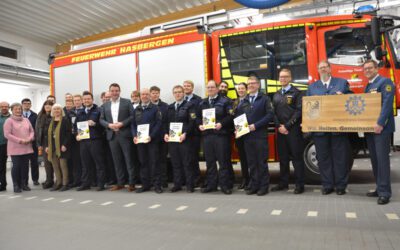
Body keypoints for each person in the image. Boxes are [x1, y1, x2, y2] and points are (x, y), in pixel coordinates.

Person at [307, 61, 351, 195]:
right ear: (318, 70)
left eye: (325, 67)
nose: (323, 69)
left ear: (330, 69)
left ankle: (341, 186)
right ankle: (327, 185)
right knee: (323, 159)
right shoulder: (312, 87)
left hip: (338, 129)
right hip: (320, 130)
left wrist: (343, 97)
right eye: (320, 68)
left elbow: (351, 99)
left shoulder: (342, 83)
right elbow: (308, 109)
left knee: (340, 158)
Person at [363, 60, 395, 205]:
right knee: (375, 161)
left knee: (382, 161)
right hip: (370, 129)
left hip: (381, 129)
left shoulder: (385, 82)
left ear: (376, 69)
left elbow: (387, 104)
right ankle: (379, 188)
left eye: (370, 68)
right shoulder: (368, 86)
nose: (367, 70)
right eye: (365, 69)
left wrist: (380, 123)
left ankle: (385, 193)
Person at [236, 76, 274, 196]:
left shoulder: (265, 99)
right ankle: (254, 185)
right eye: (249, 84)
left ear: (258, 85)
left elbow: (270, 115)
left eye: (253, 83)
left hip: (260, 135)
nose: (251, 85)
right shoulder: (244, 101)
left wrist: (256, 126)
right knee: (251, 162)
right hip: (247, 137)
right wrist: (238, 129)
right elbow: (239, 118)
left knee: (261, 162)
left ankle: (263, 186)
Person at [272, 69, 305, 194]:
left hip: (293, 131)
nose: (283, 79)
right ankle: (283, 183)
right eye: (281, 77)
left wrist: (287, 126)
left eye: (285, 77)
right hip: (280, 131)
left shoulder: (297, 93)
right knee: (283, 159)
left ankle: (299, 185)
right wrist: (278, 125)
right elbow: (273, 112)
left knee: (297, 158)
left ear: (290, 78)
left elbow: (299, 111)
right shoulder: (276, 94)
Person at [198, 80, 234, 195]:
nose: (210, 89)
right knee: (210, 162)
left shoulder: (226, 101)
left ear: (217, 89)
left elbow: (230, 116)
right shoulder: (202, 103)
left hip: (221, 136)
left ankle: (225, 185)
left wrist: (221, 124)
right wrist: (199, 125)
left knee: (223, 162)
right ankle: (211, 185)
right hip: (207, 136)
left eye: (212, 87)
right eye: (208, 87)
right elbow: (197, 118)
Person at [100, 83, 136, 191]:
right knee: (117, 161)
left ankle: (131, 183)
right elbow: (101, 120)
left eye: (116, 90)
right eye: (112, 91)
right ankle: (120, 183)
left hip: (125, 135)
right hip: (112, 136)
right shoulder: (105, 105)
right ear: (109, 92)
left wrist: (122, 124)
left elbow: (132, 116)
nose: (114, 93)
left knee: (129, 160)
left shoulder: (127, 102)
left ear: (119, 91)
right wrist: (109, 125)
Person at [164, 85, 197, 192]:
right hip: (173, 140)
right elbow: (165, 123)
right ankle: (177, 184)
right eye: (175, 92)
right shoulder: (169, 107)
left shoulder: (190, 105)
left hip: (185, 139)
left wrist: (185, 133)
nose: (177, 94)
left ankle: (189, 185)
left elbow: (192, 121)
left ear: (183, 93)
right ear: (173, 94)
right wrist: (165, 134)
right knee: (175, 162)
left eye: (179, 92)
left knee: (187, 163)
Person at [132, 88, 162, 193]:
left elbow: (158, 124)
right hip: (140, 141)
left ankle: (157, 185)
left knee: (154, 162)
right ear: (140, 96)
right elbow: (133, 124)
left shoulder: (155, 108)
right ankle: (145, 185)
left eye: (146, 94)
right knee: (143, 162)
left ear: (149, 96)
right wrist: (134, 136)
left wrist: (151, 136)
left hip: (152, 140)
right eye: (142, 94)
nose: (144, 96)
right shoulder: (137, 109)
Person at [75, 91, 107, 191]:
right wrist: (77, 135)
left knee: (99, 163)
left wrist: (95, 124)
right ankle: (86, 183)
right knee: (85, 163)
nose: (86, 100)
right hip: (83, 141)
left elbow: (103, 125)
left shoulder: (98, 110)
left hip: (95, 140)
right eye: (84, 99)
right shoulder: (80, 112)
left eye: (88, 99)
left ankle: (101, 184)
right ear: (82, 101)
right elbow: (76, 126)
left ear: (92, 100)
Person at [3, 103, 34, 193]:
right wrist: (20, 140)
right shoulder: (9, 121)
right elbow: (7, 134)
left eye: (19, 109)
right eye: (16, 109)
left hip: (27, 147)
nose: (18, 110)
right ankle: (16, 185)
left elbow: (31, 131)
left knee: (25, 167)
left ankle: (24, 184)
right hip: (15, 148)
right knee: (16, 167)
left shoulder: (26, 120)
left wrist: (30, 138)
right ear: (12, 110)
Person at [45, 104, 71, 192]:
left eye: (58, 109)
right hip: (52, 147)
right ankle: (58, 183)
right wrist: (47, 146)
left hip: (62, 147)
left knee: (63, 166)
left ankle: (65, 184)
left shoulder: (65, 120)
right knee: (55, 166)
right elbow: (47, 135)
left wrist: (65, 145)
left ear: (61, 111)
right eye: (55, 109)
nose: (56, 111)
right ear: (52, 111)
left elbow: (68, 134)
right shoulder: (50, 121)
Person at [183, 80, 203, 186]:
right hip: (183, 134)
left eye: (188, 86)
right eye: (185, 86)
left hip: (194, 133)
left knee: (194, 157)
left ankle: (197, 178)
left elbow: (198, 116)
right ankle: (188, 179)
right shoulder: (181, 100)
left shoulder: (198, 100)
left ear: (192, 87)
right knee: (187, 158)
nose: (186, 87)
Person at [150, 86, 169, 188]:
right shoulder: (147, 106)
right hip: (151, 138)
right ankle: (155, 181)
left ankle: (163, 181)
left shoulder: (165, 106)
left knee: (163, 160)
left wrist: (166, 133)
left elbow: (167, 122)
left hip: (163, 137)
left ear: (159, 94)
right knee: (153, 160)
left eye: (157, 93)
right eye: (153, 93)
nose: (155, 94)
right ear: (150, 94)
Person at [232, 82, 249, 190]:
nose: (240, 90)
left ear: (246, 89)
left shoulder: (249, 101)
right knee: (242, 158)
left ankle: (252, 179)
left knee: (251, 158)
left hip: (249, 133)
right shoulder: (235, 102)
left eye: (242, 88)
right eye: (239, 89)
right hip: (239, 133)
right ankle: (245, 179)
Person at [35, 100, 55, 189]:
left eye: (50, 105)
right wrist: (39, 143)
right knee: (46, 163)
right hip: (43, 142)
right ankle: (49, 180)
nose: (47, 106)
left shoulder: (55, 116)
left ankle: (57, 180)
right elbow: (37, 130)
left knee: (54, 162)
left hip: (53, 142)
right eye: (46, 105)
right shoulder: (40, 116)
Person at [21, 98, 39, 186]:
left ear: (31, 105)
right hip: (22, 143)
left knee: (34, 161)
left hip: (33, 142)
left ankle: (35, 179)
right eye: (25, 103)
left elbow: (37, 129)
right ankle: (24, 181)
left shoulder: (35, 115)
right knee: (24, 163)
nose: (27, 105)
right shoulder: (18, 115)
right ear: (22, 105)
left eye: (28, 103)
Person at [0, 102, 10, 191]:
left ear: (8, 108)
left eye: (6, 107)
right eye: (2, 106)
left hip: (7, 144)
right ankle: (2, 183)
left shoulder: (11, 118)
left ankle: (3, 185)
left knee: (2, 165)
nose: (4, 108)